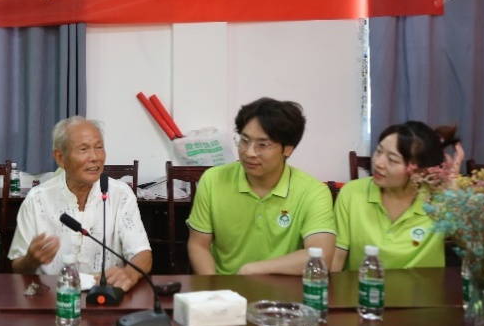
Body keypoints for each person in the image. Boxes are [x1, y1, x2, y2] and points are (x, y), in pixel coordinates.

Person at [187, 97, 336, 276]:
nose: (250, 152)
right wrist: (216, 288)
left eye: (263, 145)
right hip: (227, 287)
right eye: (244, 140)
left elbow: (321, 256)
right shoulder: (213, 180)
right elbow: (199, 245)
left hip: (284, 291)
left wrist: (252, 269)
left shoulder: (313, 192)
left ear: (288, 149)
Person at [9, 117, 152, 291]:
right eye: (83, 149)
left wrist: (129, 273)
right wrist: (31, 260)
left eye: (99, 147)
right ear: (60, 158)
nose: (95, 157)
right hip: (51, 295)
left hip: (105, 293)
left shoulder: (120, 195)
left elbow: (142, 253)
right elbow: (17, 267)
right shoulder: (37, 199)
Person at [332, 122, 461, 272]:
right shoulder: (352, 193)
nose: (378, 163)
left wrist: (454, 190)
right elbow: (337, 257)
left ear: (420, 170)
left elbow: (472, 247)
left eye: (392, 160)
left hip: (423, 287)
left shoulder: (439, 199)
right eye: (378, 151)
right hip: (364, 285)